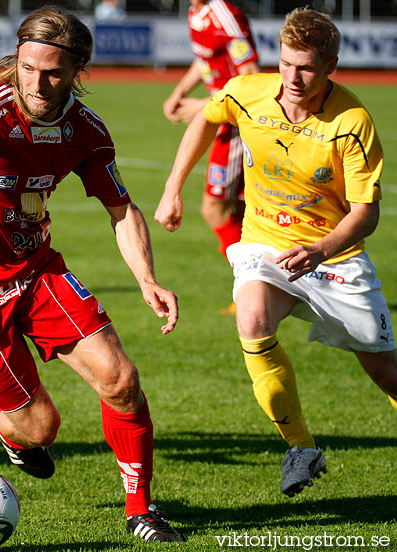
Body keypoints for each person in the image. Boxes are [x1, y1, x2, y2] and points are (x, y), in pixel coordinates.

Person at [0, 5, 184, 543]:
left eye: (51, 71)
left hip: (37, 272)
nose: (36, 82)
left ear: (77, 70)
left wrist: (146, 278)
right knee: (41, 426)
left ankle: (140, 509)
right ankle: (16, 435)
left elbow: (121, 208)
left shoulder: (85, 131)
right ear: (15, 61)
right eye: (27, 68)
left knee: (121, 379)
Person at [155, 7, 397, 498]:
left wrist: (321, 248)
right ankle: (301, 446)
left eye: (305, 67)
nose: (291, 77)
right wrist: (173, 188)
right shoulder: (250, 92)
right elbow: (206, 115)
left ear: (330, 65)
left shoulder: (352, 122)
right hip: (264, 242)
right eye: (286, 63)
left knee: (384, 369)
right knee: (252, 320)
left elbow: (364, 214)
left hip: (335, 257)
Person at [163, 0, 260, 314]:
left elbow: (251, 77)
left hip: (234, 124)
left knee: (215, 210)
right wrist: (179, 91)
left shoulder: (226, 15)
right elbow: (204, 59)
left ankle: (253, 288)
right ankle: (261, 290)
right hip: (219, 118)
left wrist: (205, 106)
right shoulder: (197, 11)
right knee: (245, 210)